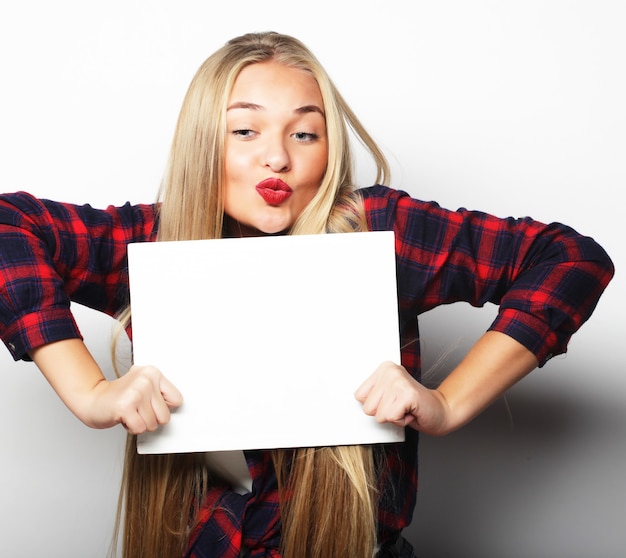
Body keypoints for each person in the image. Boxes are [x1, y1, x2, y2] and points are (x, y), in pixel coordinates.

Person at [0, 31, 614, 558]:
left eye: (304, 134)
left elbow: (570, 260)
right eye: (245, 130)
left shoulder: (377, 231)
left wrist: (447, 404)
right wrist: (90, 395)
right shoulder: (151, 242)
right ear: (202, 142)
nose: (276, 157)